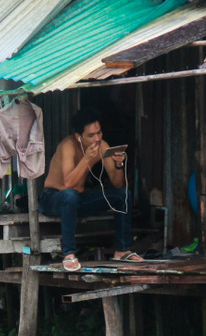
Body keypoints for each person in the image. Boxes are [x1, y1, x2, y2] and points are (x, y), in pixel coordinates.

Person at [39, 108, 143, 272]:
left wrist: (118, 164)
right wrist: (87, 159)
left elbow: (117, 184)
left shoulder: (102, 146)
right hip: (53, 198)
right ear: (78, 137)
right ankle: (69, 254)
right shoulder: (68, 146)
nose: (97, 138)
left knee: (123, 195)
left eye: (99, 133)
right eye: (91, 135)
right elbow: (68, 184)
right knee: (70, 195)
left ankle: (122, 250)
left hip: (77, 199)